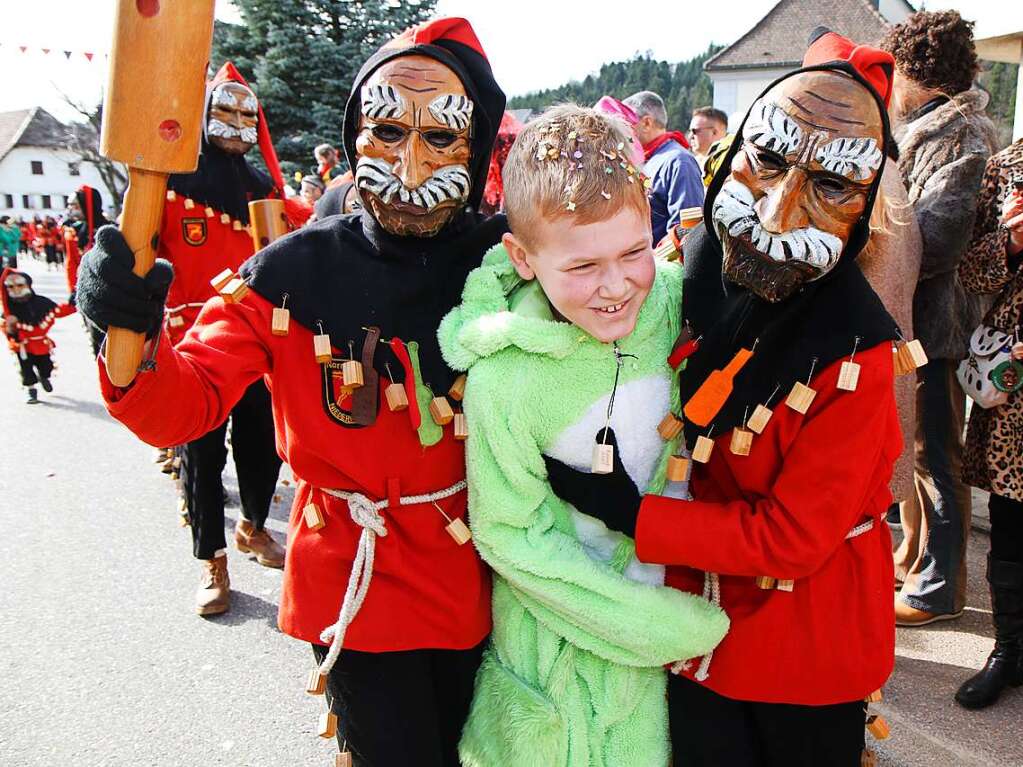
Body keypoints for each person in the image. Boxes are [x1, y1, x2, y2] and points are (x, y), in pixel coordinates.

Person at [77, 17, 507, 766]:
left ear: (476, 149)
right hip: (353, 580)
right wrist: (126, 326)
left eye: (440, 138)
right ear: (353, 137)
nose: (409, 164)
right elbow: (181, 401)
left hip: (486, 572)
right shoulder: (288, 270)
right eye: (386, 128)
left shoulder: (507, 263)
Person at [552, 29, 905, 766]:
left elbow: (792, 539)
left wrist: (632, 515)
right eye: (768, 161)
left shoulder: (855, 353)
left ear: (864, 202)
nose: (777, 212)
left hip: (801, 652)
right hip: (689, 627)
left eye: (830, 185)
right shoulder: (696, 267)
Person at [441, 104, 728, 767]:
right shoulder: (504, 382)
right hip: (558, 667)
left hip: (681, 664)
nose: (615, 286)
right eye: (580, 266)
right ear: (522, 256)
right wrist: (655, 625)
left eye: (633, 251)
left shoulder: (675, 311)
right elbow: (511, 534)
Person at [154, 61, 290, 616]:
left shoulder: (264, 188)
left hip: (257, 348)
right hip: (194, 348)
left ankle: (253, 526)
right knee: (201, 457)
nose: (235, 121)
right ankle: (213, 559)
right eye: (225, 110)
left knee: (264, 448)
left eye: (245, 113)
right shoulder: (170, 182)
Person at [881, 9, 999, 627]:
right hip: (926, 313)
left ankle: (937, 589)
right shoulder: (938, 128)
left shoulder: (958, 135)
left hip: (939, 318)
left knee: (935, 451)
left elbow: (941, 234)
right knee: (924, 447)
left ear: (912, 71)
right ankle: (919, 555)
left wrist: (876, 240)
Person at [956, 137, 1023, 710]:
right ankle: (1008, 650)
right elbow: (970, 273)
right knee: (1010, 522)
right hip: (1014, 387)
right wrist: (1012, 242)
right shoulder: (1007, 167)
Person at [623, 90, 704, 242]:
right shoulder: (644, 160)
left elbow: (686, 229)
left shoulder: (679, 162)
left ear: (647, 123)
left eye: (626, 124)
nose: (623, 131)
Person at [2, 268, 76, 403]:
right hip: (22, 346)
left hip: (41, 344)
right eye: (11, 287)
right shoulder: (9, 310)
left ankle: (44, 376)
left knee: (46, 366)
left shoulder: (42, 303)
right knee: (26, 369)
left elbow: (60, 311)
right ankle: (31, 390)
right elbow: (6, 329)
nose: (16, 290)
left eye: (19, 285)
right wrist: (12, 331)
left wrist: (75, 300)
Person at [63, 185, 111, 355]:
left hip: (111, 294)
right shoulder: (74, 232)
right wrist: (73, 289)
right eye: (70, 206)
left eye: (75, 206)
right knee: (97, 342)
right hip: (88, 295)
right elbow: (71, 264)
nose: (71, 210)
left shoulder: (110, 229)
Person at [688, 106, 728, 170]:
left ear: (714, 132)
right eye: (690, 131)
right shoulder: (692, 163)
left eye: (695, 131)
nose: (690, 136)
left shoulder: (730, 164)